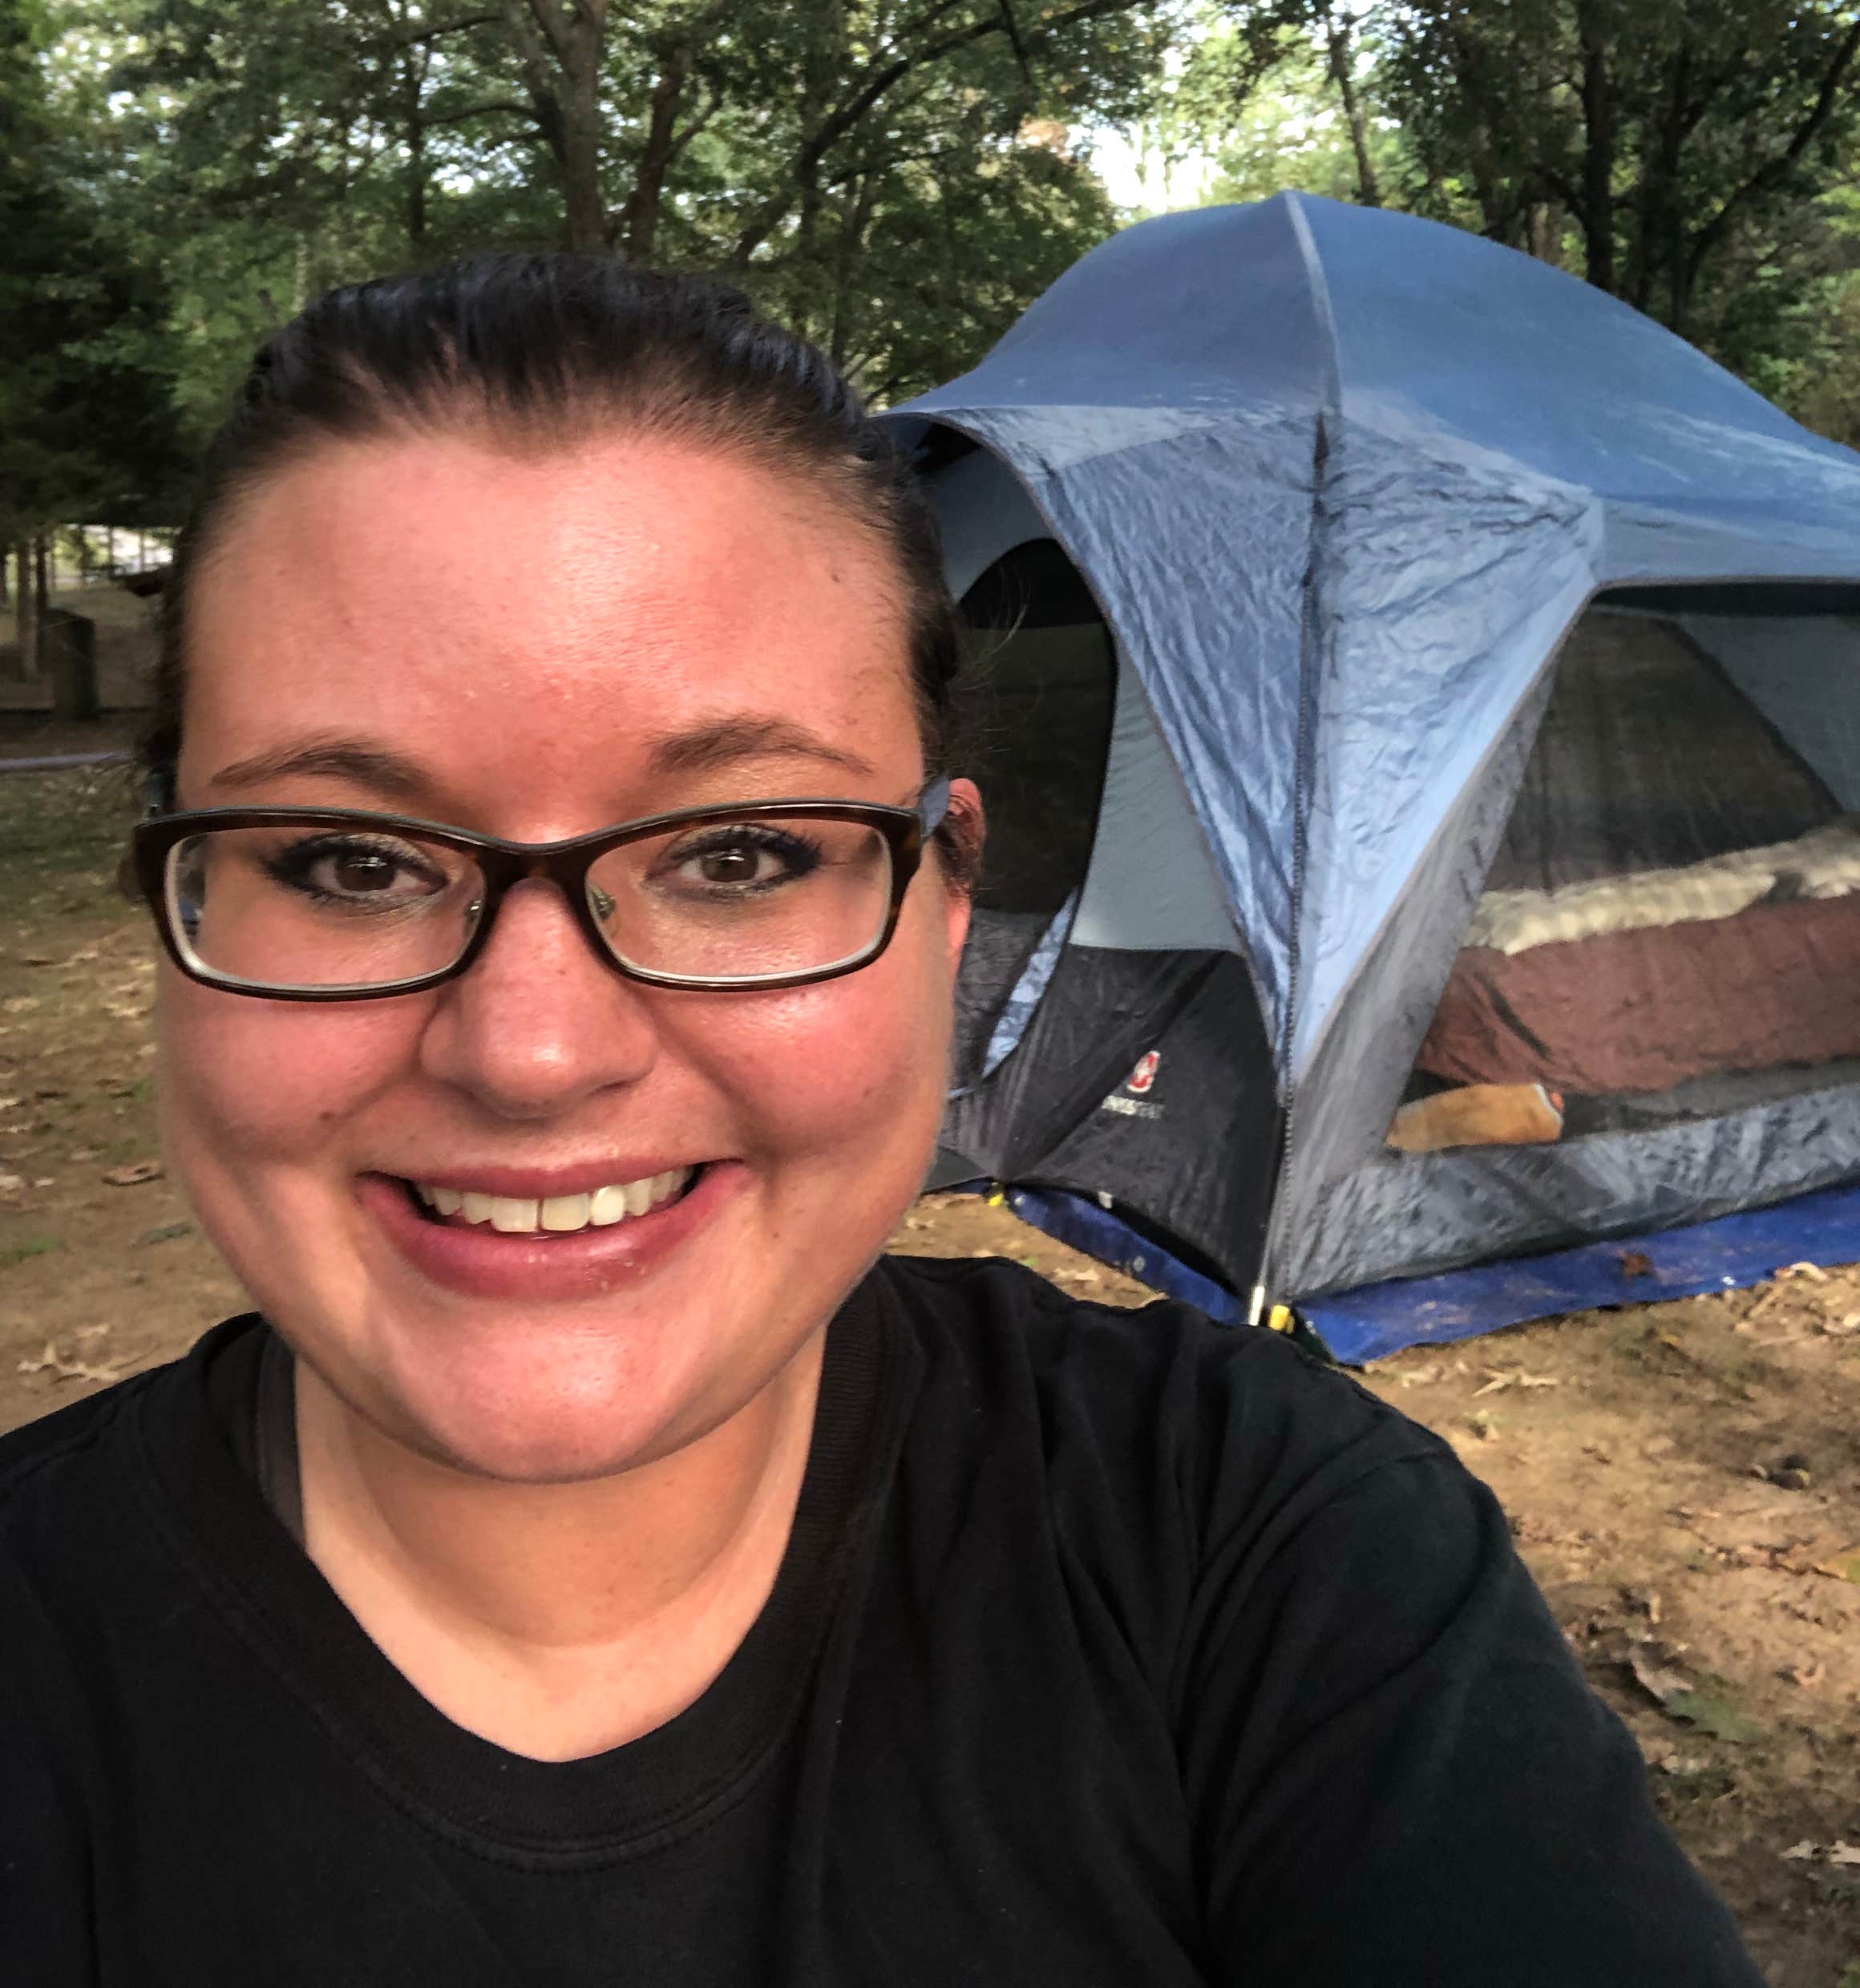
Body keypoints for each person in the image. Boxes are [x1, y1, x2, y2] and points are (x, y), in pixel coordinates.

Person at [0, 255, 1761, 1986]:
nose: (530, 1051)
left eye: (737, 853)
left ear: (947, 900)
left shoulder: (1265, 1555)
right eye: (348, 862)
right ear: (174, 898)